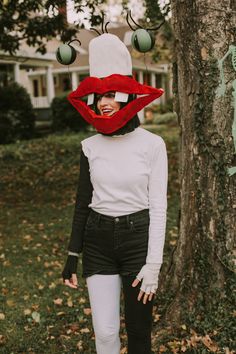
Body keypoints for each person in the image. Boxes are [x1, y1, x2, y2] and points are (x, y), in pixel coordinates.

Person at [61, 33, 168, 354]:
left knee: (138, 334)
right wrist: (72, 256)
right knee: (105, 334)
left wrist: (153, 265)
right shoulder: (89, 146)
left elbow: (159, 207)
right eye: (98, 96)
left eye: (111, 94)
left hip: (138, 242)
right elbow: (82, 203)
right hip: (98, 244)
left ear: (127, 97)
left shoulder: (153, 144)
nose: (104, 103)